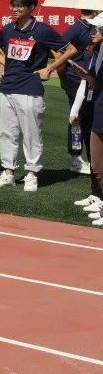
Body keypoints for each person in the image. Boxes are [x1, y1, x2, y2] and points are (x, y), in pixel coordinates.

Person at [0, 0, 74, 192]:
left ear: (31, 8)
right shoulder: (8, 29)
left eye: (20, 6)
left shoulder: (42, 30)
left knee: (31, 133)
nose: (15, 9)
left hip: (30, 89)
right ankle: (8, 172)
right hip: (6, 88)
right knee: (7, 133)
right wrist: (4, 62)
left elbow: (70, 49)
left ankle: (32, 174)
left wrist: (49, 68)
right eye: (13, 5)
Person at [69, 14, 103, 221]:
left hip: (99, 110)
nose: (92, 32)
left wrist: (89, 78)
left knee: (99, 162)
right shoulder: (94, 52)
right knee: (96, 162)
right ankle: (97, 196)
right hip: (95, 110)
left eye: (96, 29)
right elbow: (91, 84)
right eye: (92, 28)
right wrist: (75, 109)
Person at [58, 9, 100, 175]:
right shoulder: (75, 29)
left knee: (89, 119)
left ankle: (93, 158)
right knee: (77, 120)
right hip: (76, 81)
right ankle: (76, 157)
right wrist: (63, 79)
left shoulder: (92, 28)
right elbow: (60, 55)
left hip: (90, 80)